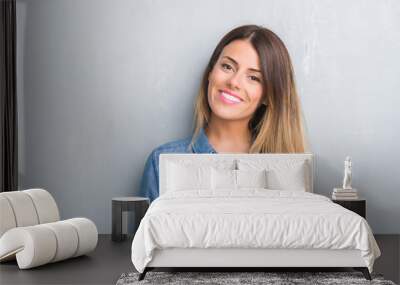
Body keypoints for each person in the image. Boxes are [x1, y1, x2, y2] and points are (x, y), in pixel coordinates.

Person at [138, 24, 308, 202]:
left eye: (253, 78)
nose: (234, 82)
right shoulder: (161, 162)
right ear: (211, 72)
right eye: (227, 66)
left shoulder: (288, 170)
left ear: (267, 95)